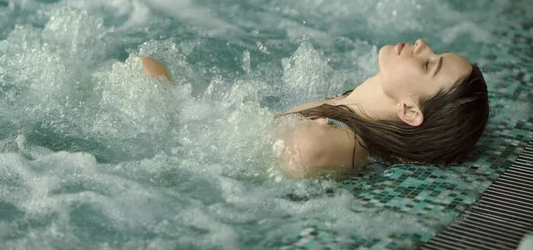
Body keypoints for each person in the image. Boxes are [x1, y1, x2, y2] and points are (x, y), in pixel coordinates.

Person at [138, 39, 489, 179]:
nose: (422, 46)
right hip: (190, 128)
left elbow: (294, 159)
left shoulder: (338, 142)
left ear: (410, 111)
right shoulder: (346, 108)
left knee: (143, 68)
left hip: (176, 148)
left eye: (429, 64)